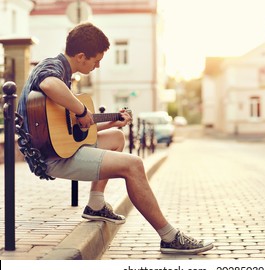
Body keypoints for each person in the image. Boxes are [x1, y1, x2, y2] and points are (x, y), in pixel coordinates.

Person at [17, 22, 213, 255]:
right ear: (81, 56)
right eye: (96, 60)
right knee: (134, 165)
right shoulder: (52, 67)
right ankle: (169, 237)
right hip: (51, 158)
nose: (98, 65)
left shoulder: (64, 72)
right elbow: (49, 84)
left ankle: (96, 205)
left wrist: (110, 122)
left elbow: (70, 134)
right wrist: (81, 111)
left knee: (117, 137)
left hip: (59, 148)